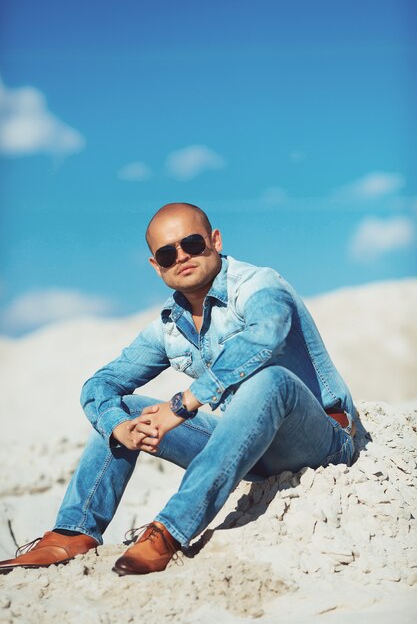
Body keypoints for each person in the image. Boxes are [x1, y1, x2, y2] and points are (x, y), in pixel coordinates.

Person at [0, 202, 356, 576]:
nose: (182, 257)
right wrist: (118, 428)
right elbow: (101, 383)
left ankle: (168, 531)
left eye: (192, 244)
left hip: (323, 439)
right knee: (125, 407)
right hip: (253, 452)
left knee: (271, 378)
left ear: (214, 240)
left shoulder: (257, 284)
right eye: (168, 253)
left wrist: (184, 403)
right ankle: (72, 533)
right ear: (156, 266)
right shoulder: (169, 328)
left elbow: (265, 336)